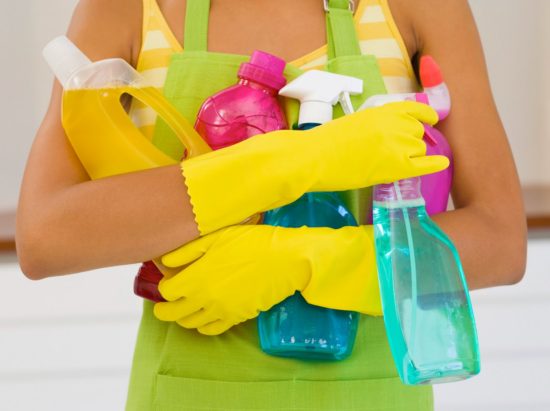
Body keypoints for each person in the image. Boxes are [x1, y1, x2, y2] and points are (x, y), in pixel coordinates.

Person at [16, 0, 527, 409]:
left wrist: (302, 262)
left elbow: (499, 242)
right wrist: (295, 162)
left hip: (372, 396)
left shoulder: (417, 7)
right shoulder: (128, 9)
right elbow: (46, 235)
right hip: (187, 393)